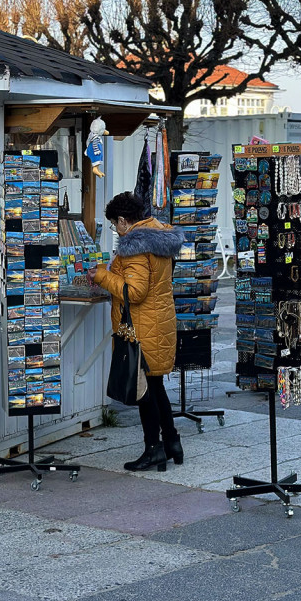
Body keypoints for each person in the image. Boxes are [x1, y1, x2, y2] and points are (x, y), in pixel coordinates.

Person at [91, 192, 185, 471]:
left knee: (145, 392)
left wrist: (102, 275)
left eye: (113, 224)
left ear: (122, 221)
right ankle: (172, 443)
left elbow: (135, 291)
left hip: (142, 329)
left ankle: (153, 450)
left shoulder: (135, 246)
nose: (115, 230)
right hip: (160, 323)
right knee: (156, 387)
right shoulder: (159, 238)